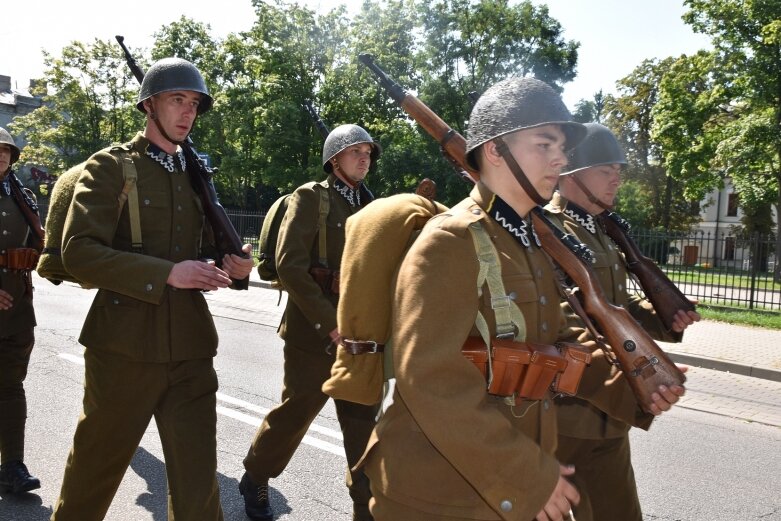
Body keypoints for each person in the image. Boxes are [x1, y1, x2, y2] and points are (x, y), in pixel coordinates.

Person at [355, 77, 686, 521]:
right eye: (545, 143)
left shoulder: (527, 241)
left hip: (509, 483)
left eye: (563, 148)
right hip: (442, 496)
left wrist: (634, 387)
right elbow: (431, 380)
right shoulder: (452, 240)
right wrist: (526, 477)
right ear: (495, 149)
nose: (560, 158)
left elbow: (559, 341)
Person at [49, 57, 253, 521]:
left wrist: (232, 265)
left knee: (199, 486)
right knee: (93, 476)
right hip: (123, 347)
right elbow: (79, 251)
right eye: (177, 100)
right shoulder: (110, 166)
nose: (187, 113)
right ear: (149, 105)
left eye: (195, 104)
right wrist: (168, 273)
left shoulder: (195, 173)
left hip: (190, 349)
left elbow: (201, 248)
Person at [545, 122, 700, 521]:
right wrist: (628, 383)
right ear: (571, 174)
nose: (616, 178)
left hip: (608, 420)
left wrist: (663, 321)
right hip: (567, 413)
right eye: (604, 169)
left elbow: (615, 304)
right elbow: (559, 320)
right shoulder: (548, 229)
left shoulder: (599, 229)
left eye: (618, 169)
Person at [239, 124, 382, 521]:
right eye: (356, 151)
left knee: (363, 428)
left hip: (361, 337)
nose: (364, 158)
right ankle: (256, 476)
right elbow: (291, 268)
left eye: (368, 153)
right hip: (314, 334)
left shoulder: (373, 206)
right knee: (295, 415)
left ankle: (366, 510)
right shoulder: (310, 198)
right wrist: (330, 323)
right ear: (334, 158)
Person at [0, 127, 42, 494]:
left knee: (11, 386)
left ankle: (12, 465)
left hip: (17, 309)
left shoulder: (21, 195)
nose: (1, 156)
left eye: (6, 152)